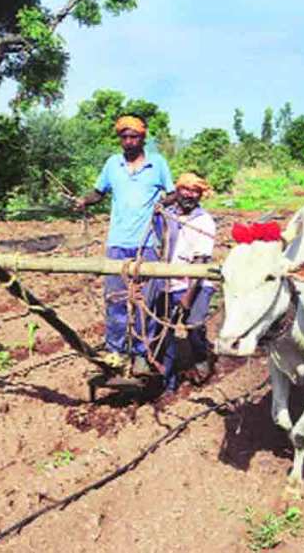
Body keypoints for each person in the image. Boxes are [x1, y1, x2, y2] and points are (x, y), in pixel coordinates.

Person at [73, 115, 175, 376]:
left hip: (148, 243)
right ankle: (116, 351)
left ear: (143, 138)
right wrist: (85, 201)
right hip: (117, 242)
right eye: (125, 137)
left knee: (146, 301)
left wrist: (162, 205)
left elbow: (172, 192)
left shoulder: (158, 164)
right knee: (115, 299)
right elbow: (99, 191)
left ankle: (142, 354)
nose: (129, 142)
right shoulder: (112, 164)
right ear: (120, 139)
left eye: (134, 137)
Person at [154, 172, 216, 392]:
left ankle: (200, 358)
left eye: (195, 191)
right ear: (177, 191)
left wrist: (188, 298)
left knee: (194, 326)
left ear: (200, 195)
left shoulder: (204, 221)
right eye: (185, 189)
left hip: (195, 284)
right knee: (164, 331)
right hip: (166, 281)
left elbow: (200, 262)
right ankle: (167, 381)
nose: (190, 195)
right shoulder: (166, 215)